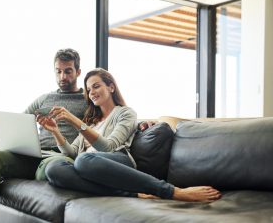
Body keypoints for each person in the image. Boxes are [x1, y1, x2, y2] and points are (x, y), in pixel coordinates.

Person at [38, 68, 222, 202]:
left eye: (96, 86)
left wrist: (75, 121)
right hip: (88, 163)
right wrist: (56, 132)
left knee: (84, 160)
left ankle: (172, 192)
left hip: (118, 159)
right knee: (54, 169)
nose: (92, 92)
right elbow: (71, 153)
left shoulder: (126, 113)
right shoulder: (93, 122)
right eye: (89, 89)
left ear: (111, 87)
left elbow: (109, 147)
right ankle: (133, 194)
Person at [0, 48, 88, 223]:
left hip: (60, 157)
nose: (62, 77)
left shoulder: (87, 100)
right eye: (58, 71)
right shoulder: (44, 98)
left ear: (78, 72)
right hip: (35, 154)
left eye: (68, 71)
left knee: (48, 168)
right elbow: (19, 123)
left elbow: (108, 120)